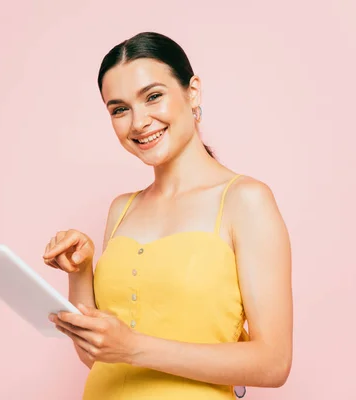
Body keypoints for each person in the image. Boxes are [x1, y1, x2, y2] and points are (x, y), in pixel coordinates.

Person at [42, 32, 293, 400]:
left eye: (153, 96)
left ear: (192, 92)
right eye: (119, 109)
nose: (139, 122)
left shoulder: (245, 201)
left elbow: (274, 362)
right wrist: (81, 271)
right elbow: (97, 357)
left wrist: (133, 347)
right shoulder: (122, 208)